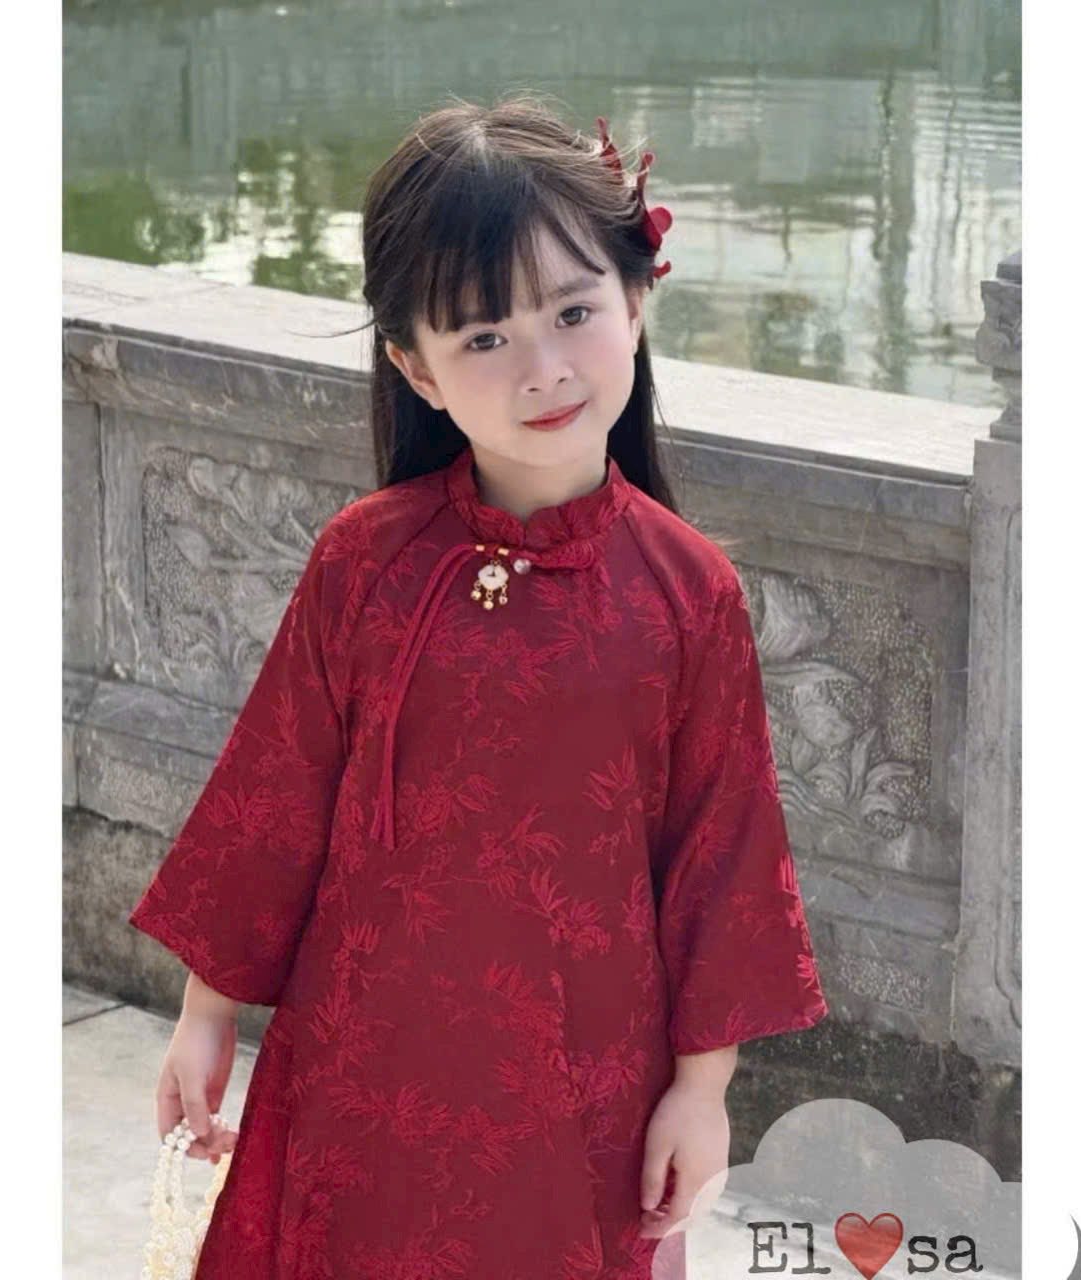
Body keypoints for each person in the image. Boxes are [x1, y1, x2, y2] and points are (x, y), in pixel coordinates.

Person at [128, 92, 828, 1279]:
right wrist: (204, 1015)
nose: (543, 369)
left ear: (636, 301)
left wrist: (700, 1091)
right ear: (415, 366)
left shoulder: (686, 593)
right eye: (484, 338)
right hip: (357, 1077)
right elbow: (271, 799)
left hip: (583, 1091)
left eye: (572, 312)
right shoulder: (364, 561)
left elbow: (722, 859)